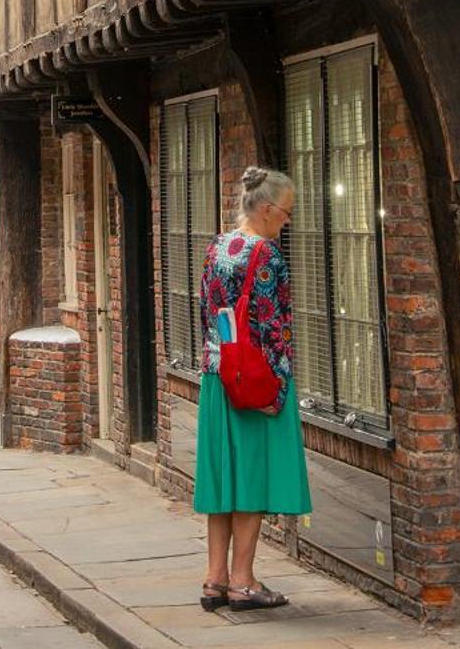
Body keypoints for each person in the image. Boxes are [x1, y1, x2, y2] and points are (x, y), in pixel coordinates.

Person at [194, 167, 309, 615]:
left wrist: (224, 358)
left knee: (223, 480)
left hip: (217, 373)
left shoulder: (217, 247)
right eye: (286, 212)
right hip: (256, 380)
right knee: (252, 480)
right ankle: (243, 581)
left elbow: (211, 313)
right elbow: (273, 327)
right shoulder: (268, 256)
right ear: (265, 208)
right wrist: (274, 392)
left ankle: (214, 579)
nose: (287, 220)